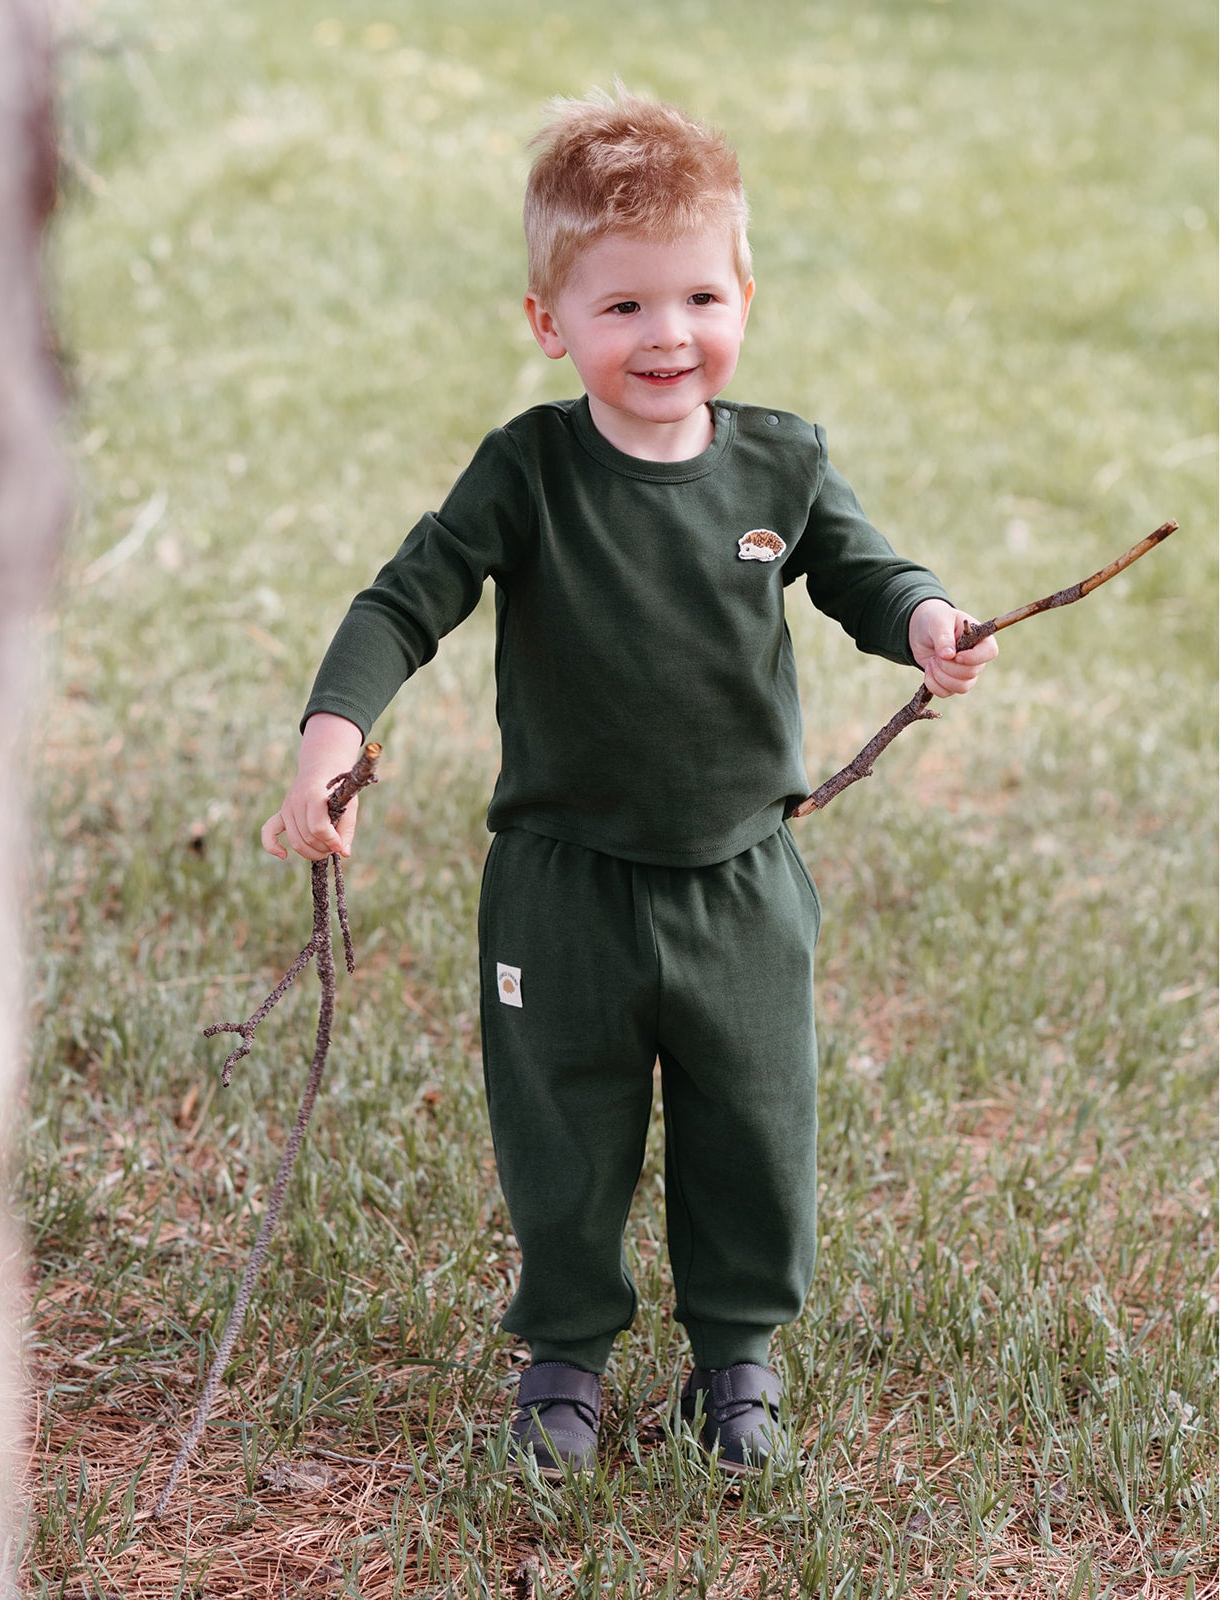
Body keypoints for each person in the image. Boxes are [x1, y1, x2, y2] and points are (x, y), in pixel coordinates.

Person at [261, 88, 997, 1476]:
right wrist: (331, 734)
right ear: (551, 323)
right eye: (622, 309)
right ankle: (564, 1363)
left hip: (739, 880)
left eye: (699, 297)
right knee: (564, 1128)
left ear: (745, 295)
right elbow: (400, 604)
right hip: (563, 884)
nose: (668, 336)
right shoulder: (528, 473)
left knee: (754, 1125)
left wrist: (926, 621)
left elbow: (865, 573)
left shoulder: (783, 462)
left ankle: (738, 1364)